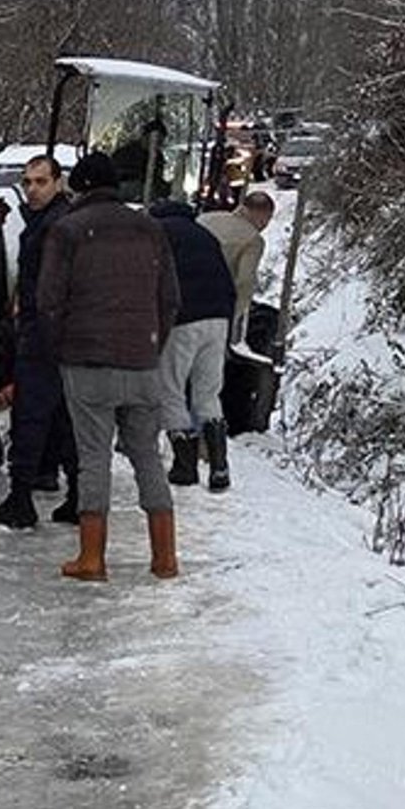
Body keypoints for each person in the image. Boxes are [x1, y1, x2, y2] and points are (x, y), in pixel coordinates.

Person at [38, 152, 181, 582]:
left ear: (78, 188)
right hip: (142, 360)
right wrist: (150, 344)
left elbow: (49, 302)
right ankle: (165, 558)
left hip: (87, 361)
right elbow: (170, 298)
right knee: (148, 457)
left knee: (93, 458)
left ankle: (92, 558)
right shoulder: (151, 228)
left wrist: (58, 348)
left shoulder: (67, 231)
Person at [0, 155, 80, 529]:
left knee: (33, 417)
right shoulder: (45, 222)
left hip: (46, 335)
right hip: (52, 334)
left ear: (58, 182)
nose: (33, 189)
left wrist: (35, 327)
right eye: (28, 182)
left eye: (40, 182)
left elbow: (51, 286)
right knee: (61, 418)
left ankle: (23, 498)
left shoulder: (56, 226)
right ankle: (73, 496)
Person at [151, 196, 236, 491]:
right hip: (219, 318)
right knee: (208, 392)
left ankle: (185, 466)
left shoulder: (159, 233)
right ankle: (219, 466)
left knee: (170, 389)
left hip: (183, 319)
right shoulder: (205, 235)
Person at [198, 190, 274, 491]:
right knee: (207, 383)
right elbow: (244, 283)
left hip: (179, 306)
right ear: (261, 215)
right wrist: (234, 324)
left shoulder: (206, 219)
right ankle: (205, 450)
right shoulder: (252, 240)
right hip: (213, 314)